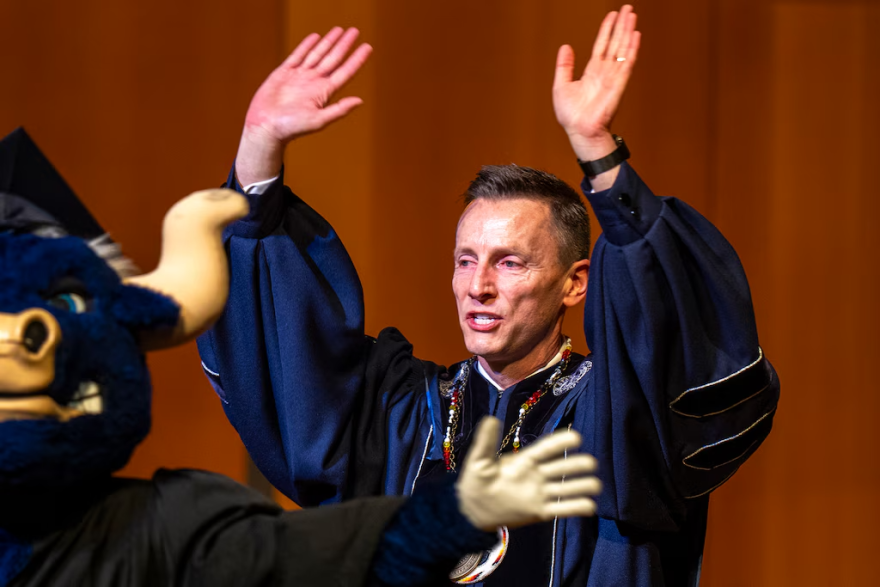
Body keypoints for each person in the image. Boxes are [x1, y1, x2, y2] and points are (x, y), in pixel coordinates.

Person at [198, 5, 779, 585]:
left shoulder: (614, 414)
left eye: (509, 263)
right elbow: (283, 346)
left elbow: (671, 322)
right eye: (466, 260)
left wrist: (598, 151)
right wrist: (259, 146)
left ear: (574, 283)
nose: (478, 286)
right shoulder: (402, 415)